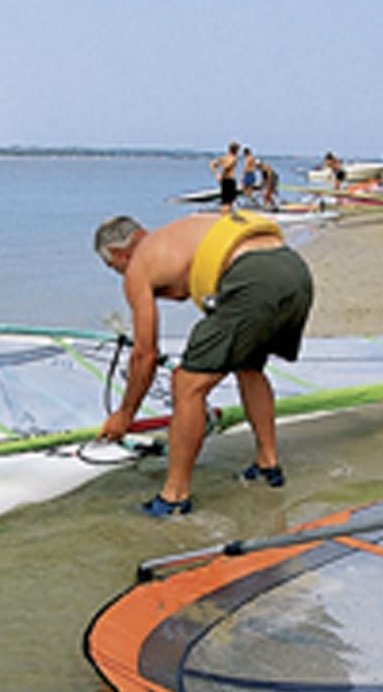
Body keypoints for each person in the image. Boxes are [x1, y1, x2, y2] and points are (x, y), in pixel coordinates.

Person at [93, 211, 314, 516]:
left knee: (186, 384)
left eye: (113, 267)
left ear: (119, 254)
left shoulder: (138, 266)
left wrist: (125, 414)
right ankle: (267, 463)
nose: (119, 274)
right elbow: (192, 283)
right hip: (294, 270)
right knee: (248, 367)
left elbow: (145, 354)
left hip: (252, 278)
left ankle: (174, 496)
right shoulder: (176, 235)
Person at [210, 142, 241, 210]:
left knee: (225, 201)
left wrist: (217, 174)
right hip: (229, 180)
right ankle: (226, 214)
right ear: (235, 150)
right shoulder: (234, 158)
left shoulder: (224, 158)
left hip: (225, 180)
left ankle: (225, 214)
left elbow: (212, 164)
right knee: (228, 202)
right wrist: (220, 175)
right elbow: (226, 168)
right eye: (238, 150)